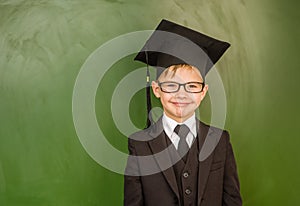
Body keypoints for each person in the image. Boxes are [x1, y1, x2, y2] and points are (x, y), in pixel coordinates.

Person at [124, 19, 242, 206]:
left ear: (203, 92)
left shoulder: (220, 140)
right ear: (156, 90)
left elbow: (232, 201)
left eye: (192, 86)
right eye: (171, 85)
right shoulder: (139, 145)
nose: (182, 94)